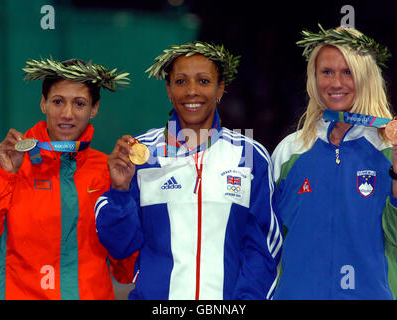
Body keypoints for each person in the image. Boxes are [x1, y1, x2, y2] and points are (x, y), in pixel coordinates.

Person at [94, 41, 283, 300]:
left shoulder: (249, 154)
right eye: (181, 82)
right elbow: (120, 246)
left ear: (220, 89)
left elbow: (262, 249)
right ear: (169, 90)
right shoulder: (140, 154)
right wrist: (119, 191)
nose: (192, 91)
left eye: (203, 81)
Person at [271, 24, 397, 299]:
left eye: (348, 72)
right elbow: (267, 242)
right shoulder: (289, 152)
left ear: (366, 77)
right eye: (326, 72)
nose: (336, 83)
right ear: (313, 78)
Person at [0, 58, 137, 299]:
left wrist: (121, 193)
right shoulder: (8, 163)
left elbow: (126, 270)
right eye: (58, 101)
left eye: (79, 104)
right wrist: (5, 176)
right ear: (43, 103)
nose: (67, 114)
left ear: (94, 109)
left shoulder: (108, 171)